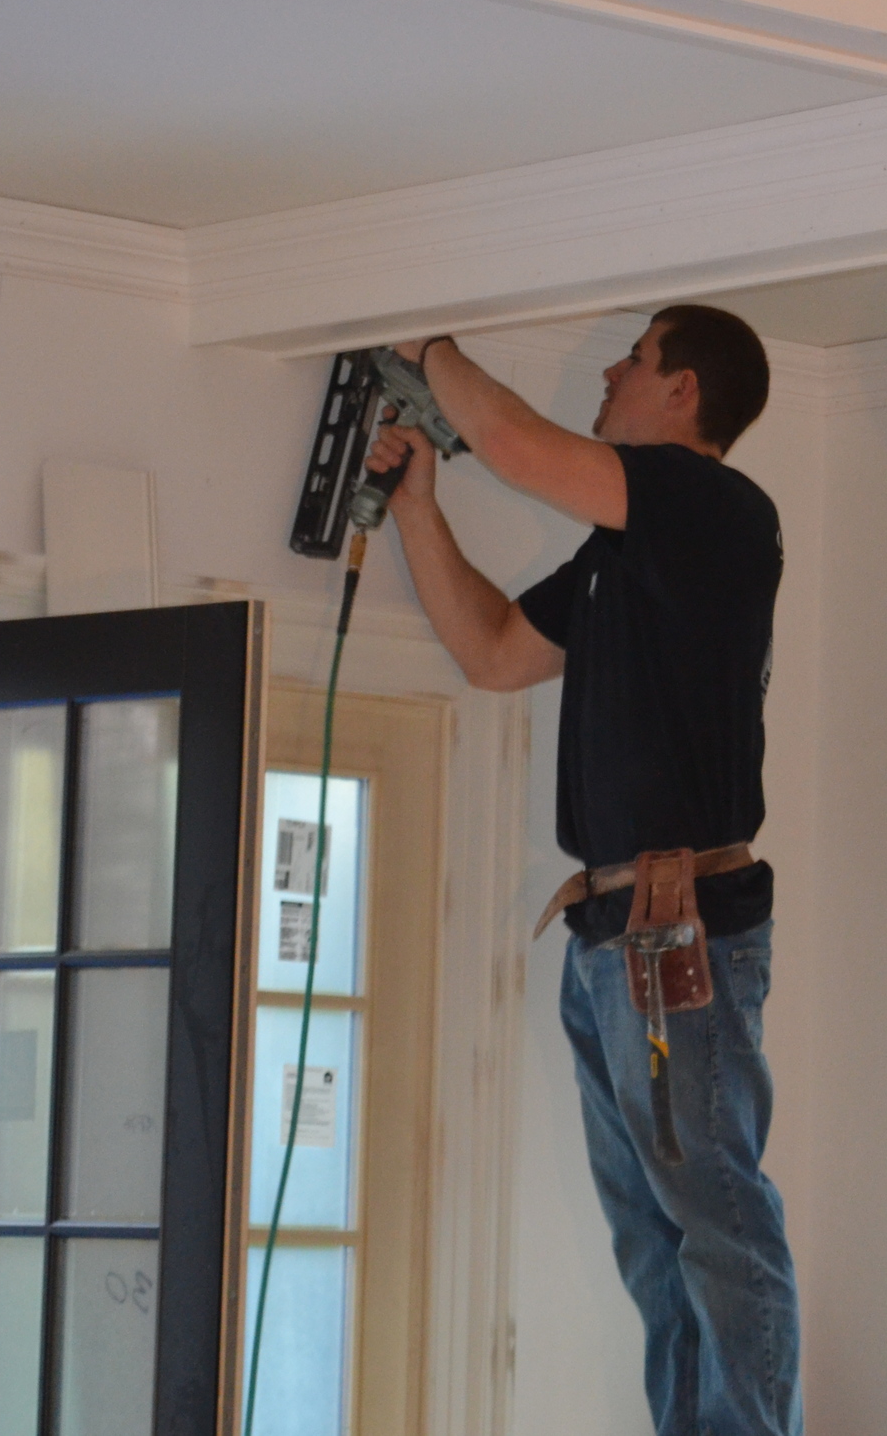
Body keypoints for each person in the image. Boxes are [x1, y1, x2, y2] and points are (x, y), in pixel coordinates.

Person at [363, 306, 800, 1436]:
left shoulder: (712, 510)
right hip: (621, 928)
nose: (611, 367)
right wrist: (419, 508)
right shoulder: (628, 551)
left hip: (676, 923)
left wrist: (428, 349)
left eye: (636, 355)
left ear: (684, 391)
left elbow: (514, 444)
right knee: (659, 1239)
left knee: (716, 1219)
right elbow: (498, 652)